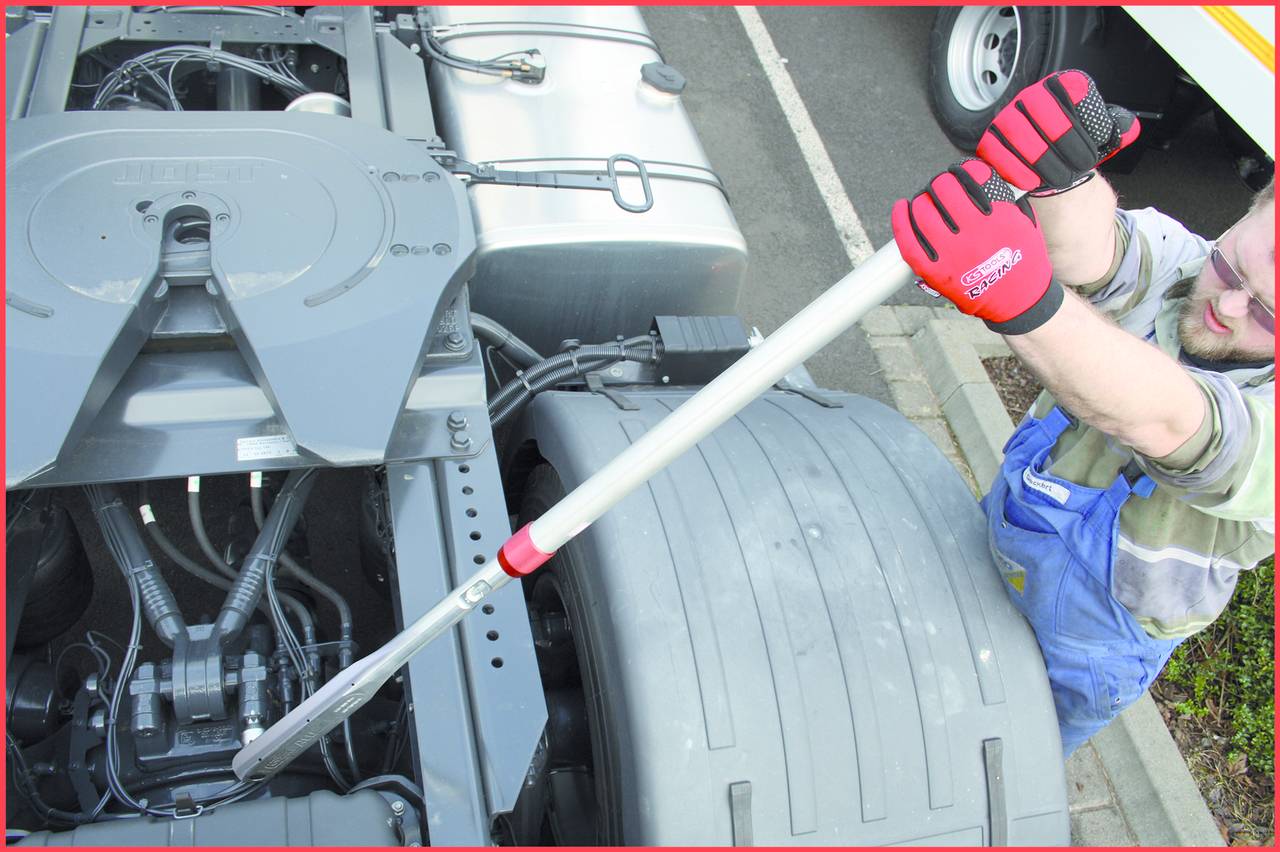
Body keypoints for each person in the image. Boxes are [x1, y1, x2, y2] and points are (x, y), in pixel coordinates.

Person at [889, 70, 1275, 757]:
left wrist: (1020, 298)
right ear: (1251, 209)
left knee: (991, 772)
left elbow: (1171, 423)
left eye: (1268, 316)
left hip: (1090, 646)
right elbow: (1099, 253)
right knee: (911, 702)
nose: (1228, 306)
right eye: (1234, 270)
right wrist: (1058, 173)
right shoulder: (1186, 267)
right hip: (999, 544)